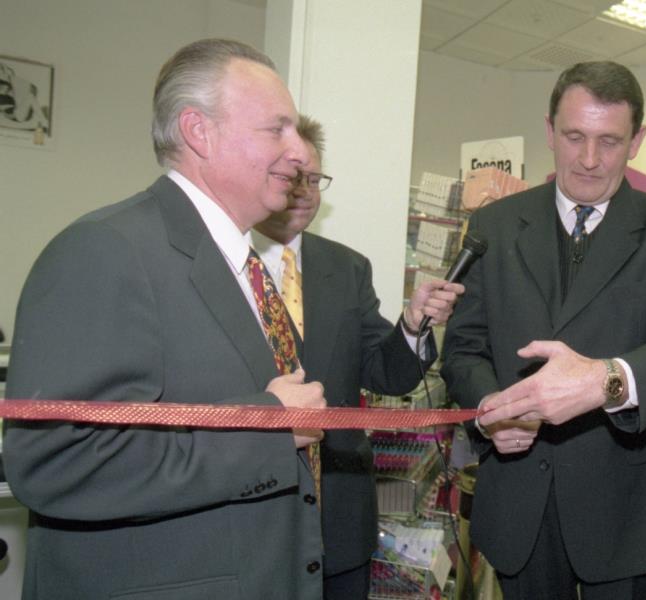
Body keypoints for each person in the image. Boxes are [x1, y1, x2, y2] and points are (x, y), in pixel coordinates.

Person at [2, 39, 331, 600]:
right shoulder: (104, 250)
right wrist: (268, 431)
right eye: (277, 129)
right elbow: (58, 462)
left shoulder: (241, 264)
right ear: (199, 132)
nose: (300, 152)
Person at [440, 61, 646, 599]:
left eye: (609, 141)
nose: (589, 159)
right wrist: (491, 406)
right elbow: (464, 348)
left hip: (625, 505)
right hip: (520, 496)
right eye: (574, 137)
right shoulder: (495, 225)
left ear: (637, 141)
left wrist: (605, 380)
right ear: (549, 131)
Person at [252, 114, 463, 599]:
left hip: (340, 517)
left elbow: (387, 372)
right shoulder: (226, 265)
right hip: (256, 508)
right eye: (292, 177)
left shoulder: (347, 267)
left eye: (314, 179)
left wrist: (413, 323)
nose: (304, 191)